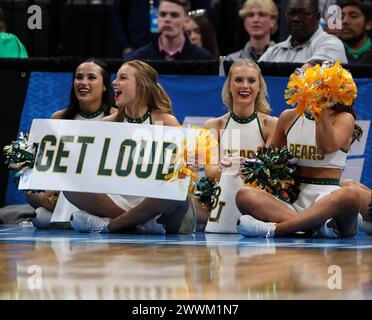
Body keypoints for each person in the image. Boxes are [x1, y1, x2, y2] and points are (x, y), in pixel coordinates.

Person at [64, 60, 195, 234]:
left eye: (123, 78)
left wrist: (187, 167)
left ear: (141, 86)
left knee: (176, 189)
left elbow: (185, 170)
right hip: (117, 201)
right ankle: (136, 224)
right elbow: (92, 171)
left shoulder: (166, 121)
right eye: (116, 77)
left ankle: (112, 225)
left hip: (157, 206)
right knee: (70, 186)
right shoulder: (107, 124)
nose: (114, 82)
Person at [235, 62, 362, 238]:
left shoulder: (344, 118)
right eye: (299, 76)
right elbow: (270, 159)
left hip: (328, 200)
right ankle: (316, 228)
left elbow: (326, 147)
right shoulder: (289, 116)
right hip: (293, 200)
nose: (301, 82)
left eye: (309, 78)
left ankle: (274, 229)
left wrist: (321, 109)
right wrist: (253, 164)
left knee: (350, 195)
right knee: (245, 195)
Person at [24, 59, 115, 228]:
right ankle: (71, 218)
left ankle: (58, 218)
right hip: (65, 190)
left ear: (104, 86)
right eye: (79, 77)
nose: (83, 82)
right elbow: (49, 163)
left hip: (102, 190)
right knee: (31, 192)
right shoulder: (59, 117)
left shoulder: (117, 117)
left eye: (91, 77)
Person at [196, 58, 277, 229]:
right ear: (229, 86)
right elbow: (210, 172)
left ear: (259, 87)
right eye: (238, 80)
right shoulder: (212, 125)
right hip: (220, 197)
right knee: (187, 202)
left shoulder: (271, 125)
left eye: (251, 81)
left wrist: (239, 167)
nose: (245, 86)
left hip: (255, 199)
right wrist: (236, 166)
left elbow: (271, 174)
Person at [258, 0, 348, 63]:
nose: (296, 19)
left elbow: (312, 71)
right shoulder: (274, 51)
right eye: (291, 13)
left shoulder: (332, 44)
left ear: (317, 17)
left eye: (303, 14)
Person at [130, 0, 213, 60]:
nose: (167, 19)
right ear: (157, 18)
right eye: (163, 14)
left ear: (186, 20)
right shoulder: (140, 58)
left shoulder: (202, 58)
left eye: (174, 15)